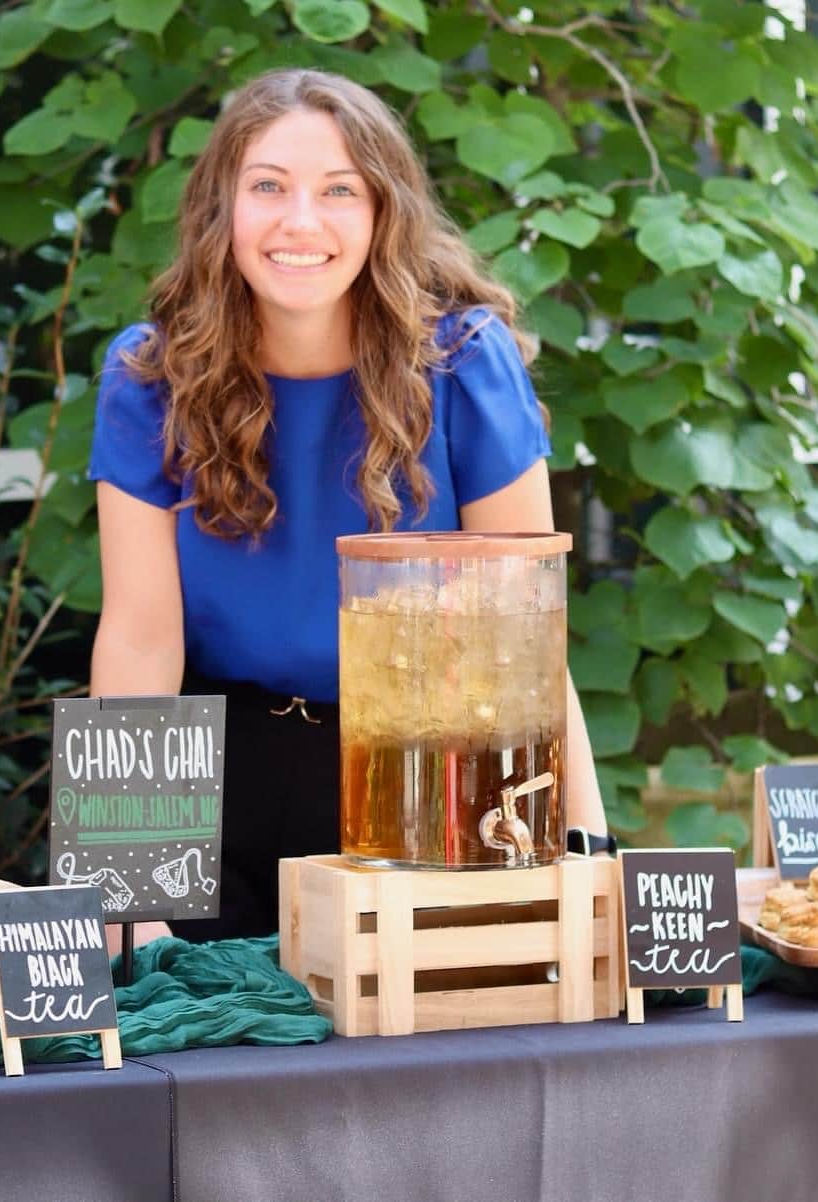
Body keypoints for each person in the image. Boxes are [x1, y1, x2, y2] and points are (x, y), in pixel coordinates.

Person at [88, 68, 610, 942]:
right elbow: (141, 636)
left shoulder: (464, 364)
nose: (301, 222)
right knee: (190, 1051)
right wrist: (125, 896)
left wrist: (589, 849)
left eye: (340, 191)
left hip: (423, 774)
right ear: (222, 207)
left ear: (384, 212)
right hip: (210, 780)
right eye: (267, 187)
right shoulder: (150, 377)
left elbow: (528, 640)